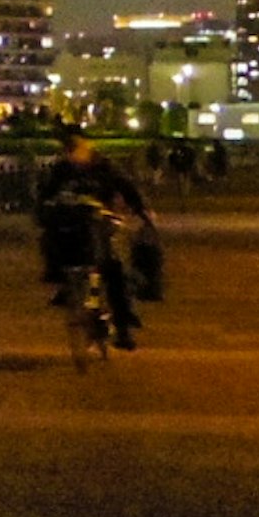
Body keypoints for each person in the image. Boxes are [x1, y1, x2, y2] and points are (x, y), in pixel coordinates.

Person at [34, 129, 154, 352]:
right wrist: (43, 212)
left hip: (100, 225)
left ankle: (123, 327)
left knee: (114, 269)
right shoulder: (60, 170)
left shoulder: (103, 167)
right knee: (52, 242)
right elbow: (44, 195)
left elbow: (125, 187)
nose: (73, 154)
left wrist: (141, 209)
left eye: (76, 148)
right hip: (70, 226)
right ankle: (63, 283)